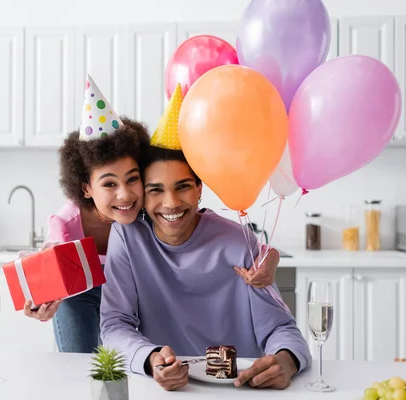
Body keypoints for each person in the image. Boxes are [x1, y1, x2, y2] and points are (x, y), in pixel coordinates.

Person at [23, 78, 282, 354]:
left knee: (122, 363)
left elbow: (242, 244)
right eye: (109, 184)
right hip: (83, 296)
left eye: (132, 180)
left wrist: (271, 257)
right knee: (80, 365)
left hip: (127, 294)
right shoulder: (65, 224)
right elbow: (47, 276)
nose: (124, 195)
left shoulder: (148, 210)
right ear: (86, 188)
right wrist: (41, 301)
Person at [99, 140, 312, 391]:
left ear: (199, 188)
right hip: (172, 391)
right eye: (156, 190)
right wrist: (149, 358)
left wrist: (287, 360)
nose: (171, 203)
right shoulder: (128, 238)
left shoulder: (237, 241)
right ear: (142, 196)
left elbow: (279, 326)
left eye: (183, 186)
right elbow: (114, 325)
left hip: (241, 387)